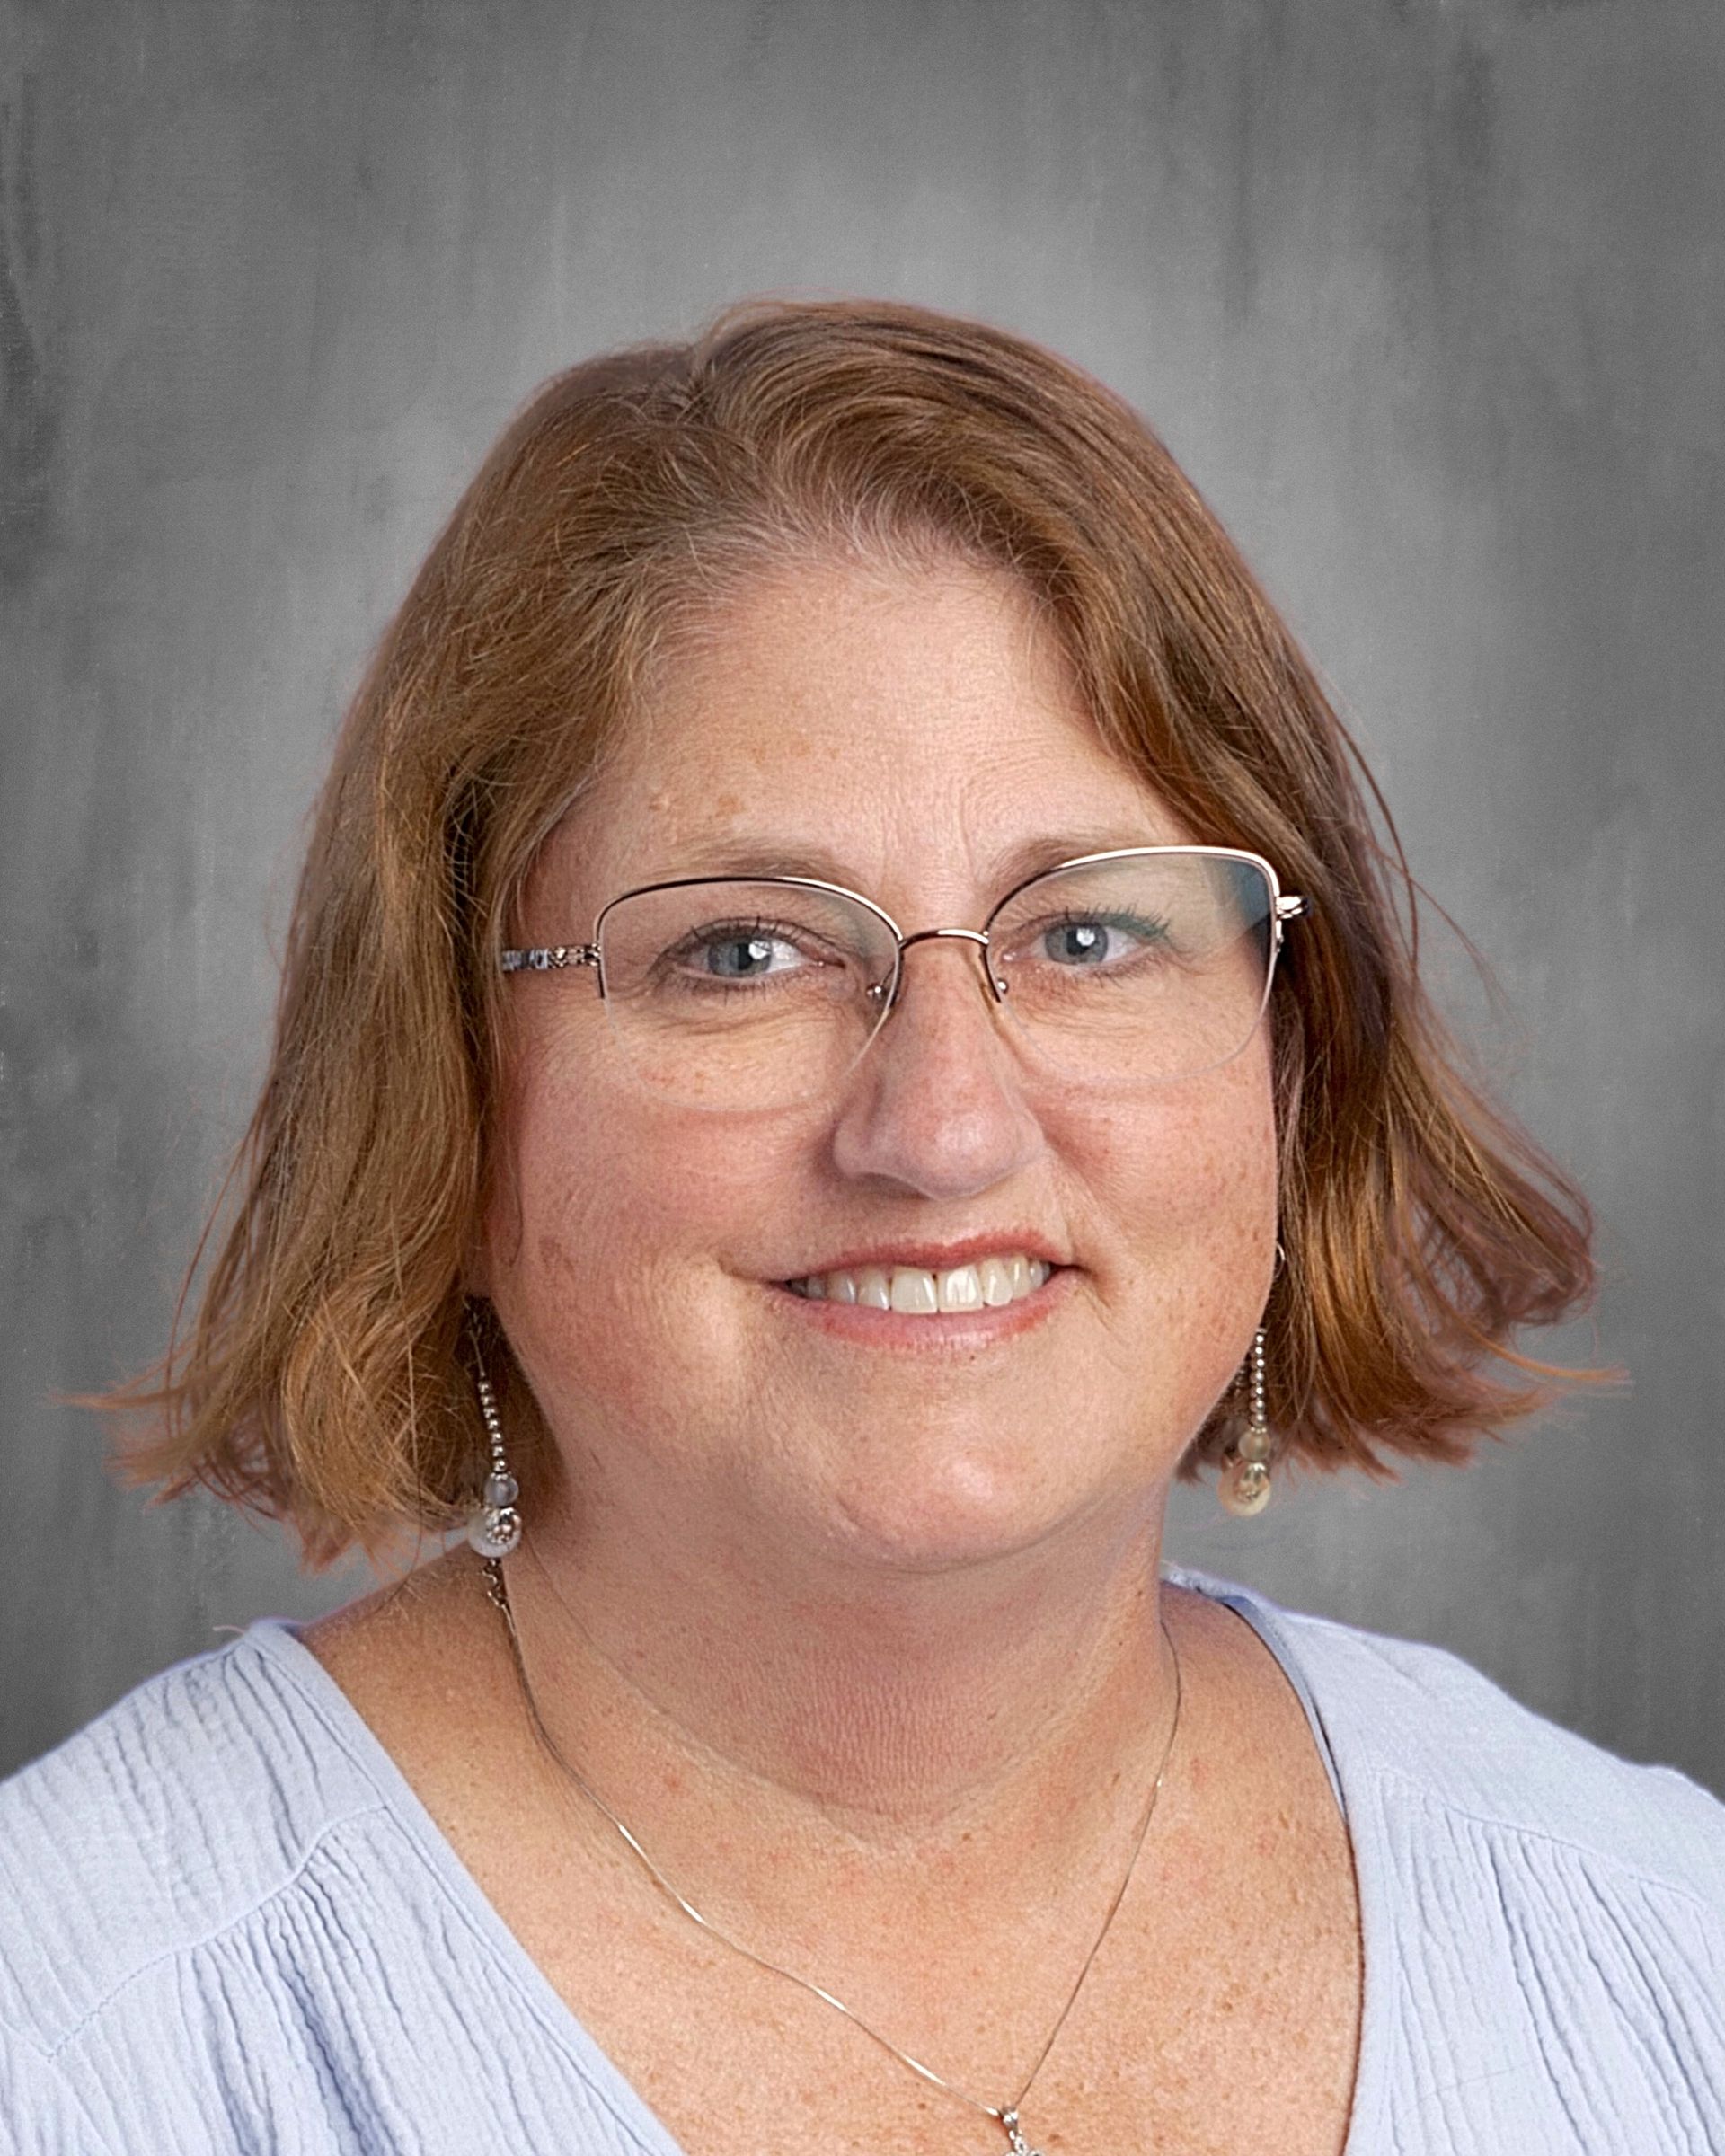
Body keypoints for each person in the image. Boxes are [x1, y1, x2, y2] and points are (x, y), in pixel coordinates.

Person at [2, 299, 1721, 2156]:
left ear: (1291, 1066)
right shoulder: (88, 2036)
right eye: (741, 953)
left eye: (1085, 934)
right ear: (451, 1085)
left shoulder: (1662, 1948)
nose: (944, 1127)